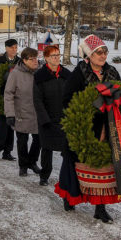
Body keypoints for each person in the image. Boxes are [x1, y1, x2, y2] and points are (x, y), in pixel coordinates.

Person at [56, 35, 121, 223]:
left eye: (105, 52)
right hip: (83, 129)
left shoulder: (112, 72)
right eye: (99, 52)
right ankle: (69, 196)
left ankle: (100, 208)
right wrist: (91, 107)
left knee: (103, 167)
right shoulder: (79, 73)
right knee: (76, 165)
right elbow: (67, 100)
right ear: (88, 55)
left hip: (106, 128)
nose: (103, 56)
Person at [32, 45, 72, 187]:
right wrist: (44, 120)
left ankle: (66, 177)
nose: (57, 58)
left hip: (64, 118)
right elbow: (37, 100)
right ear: (46, 58)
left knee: (66, 149)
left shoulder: (67, 75)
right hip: (47, 119)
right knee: (47, 148)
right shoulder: (39, 76)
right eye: (53, 55)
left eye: (58, 55)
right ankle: (44, 175)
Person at [5, 47, 45, 179]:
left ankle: (32, 162)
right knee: (22, 140)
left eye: (36, 58)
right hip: (21, 112)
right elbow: (8, 94)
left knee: (38, 139)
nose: (35, 61)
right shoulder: (15, 73)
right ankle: (23, 165)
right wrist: (10, 114)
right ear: (24, 60)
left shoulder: (41, 71)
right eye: (32, 59)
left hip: (37, 113)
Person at [0, 39, 21, 161]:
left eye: (15, 47)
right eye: (11, 47)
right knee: (2, 125)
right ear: (6, 48)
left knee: (11, 125)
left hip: (15, 99)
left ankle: (7, 152)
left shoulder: (19, 62)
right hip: (1, 98)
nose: (14, 50)